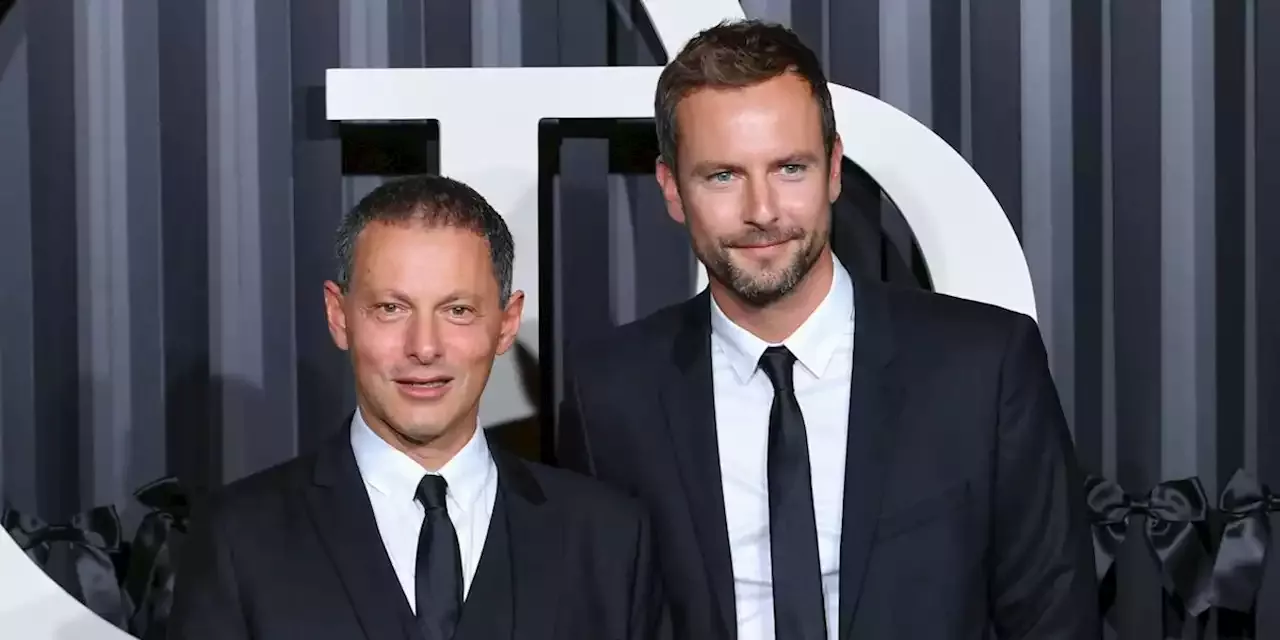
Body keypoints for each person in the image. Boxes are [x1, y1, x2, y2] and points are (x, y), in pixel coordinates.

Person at [556, 19, 1099, 640]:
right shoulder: (612, 393)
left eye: (790, 168)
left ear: (835, 170)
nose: (762, 212)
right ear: (673, 190)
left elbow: (1055, 620)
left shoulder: (985, 367)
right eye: (723, 176)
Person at [169, 175, 669, 640]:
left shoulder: (609, 540)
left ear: (507, 322)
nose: (424, 347)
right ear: (339, 317)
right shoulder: (239, 540)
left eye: (457, 311)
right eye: (391, 309)